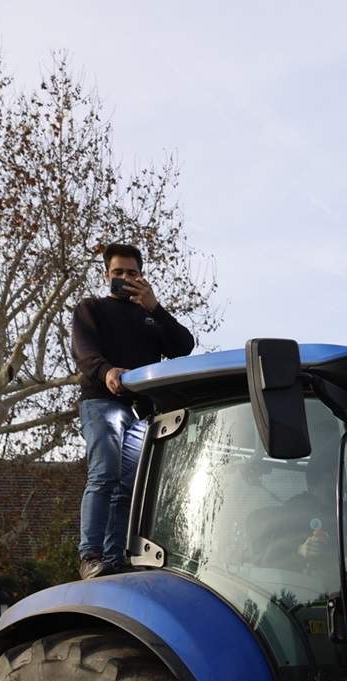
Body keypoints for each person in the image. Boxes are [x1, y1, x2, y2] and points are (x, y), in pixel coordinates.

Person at [71, 242, 195, 580]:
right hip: (102, 402)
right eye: (118, 272)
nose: (125, 277)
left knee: (130, 484)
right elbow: (84, 351)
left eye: (132, 272)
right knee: (105, 473)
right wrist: (106, 371)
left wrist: (155, 308)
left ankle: (113, 559)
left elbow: (184, 345)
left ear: (141, 275)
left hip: (142, 410)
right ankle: (90, 555)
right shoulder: (90, 308)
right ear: (106, 275)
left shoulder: (150, 318)